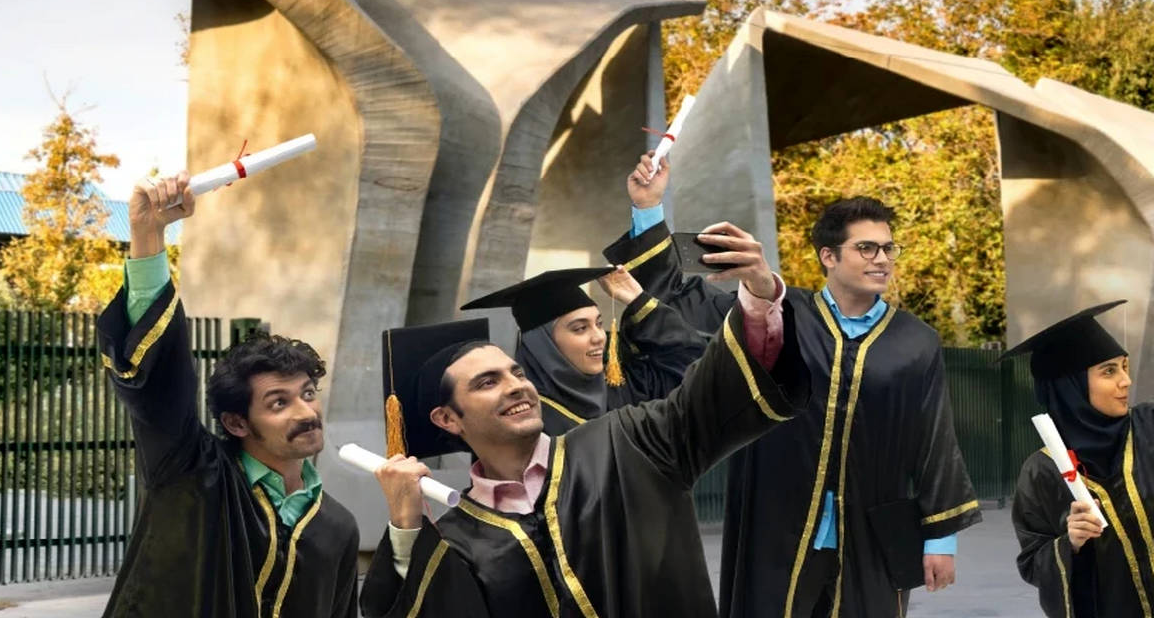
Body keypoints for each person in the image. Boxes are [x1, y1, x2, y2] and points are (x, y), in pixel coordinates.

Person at [601, 152, 982, 617]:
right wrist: (648, 207)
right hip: (775, 518)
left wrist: (940, 539)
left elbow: (933, 439)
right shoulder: (779, 313)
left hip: (871, 528)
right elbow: (677, 296)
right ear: (828, 256)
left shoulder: (915, 341)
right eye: (866, 248)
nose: (882, 259)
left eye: (888, 248)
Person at [360, 247, 810, 617]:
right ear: (447, 419)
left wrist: (759, 298)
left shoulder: (628, 442)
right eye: (487, 382)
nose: (516, 386)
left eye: (516, 373)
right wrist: (405, 525)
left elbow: (712, 394)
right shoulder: (458, 538)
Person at [97, 173, 360, 617]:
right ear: (237, 422)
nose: (306, 411)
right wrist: (148, 235)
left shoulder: (337, 526)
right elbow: (161, 385)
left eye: (308, 393)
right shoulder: (193, 476)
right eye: (279, 402)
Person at [1003, 301, 1154, 617]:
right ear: (1069, 385)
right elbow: (1032, 562)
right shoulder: (1043, 471)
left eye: (1124, 367)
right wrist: (1070, 543)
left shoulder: (1148, 429)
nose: (1125, 381)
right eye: (1108, 371)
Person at [459, 265, 706, 435]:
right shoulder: (521, 412)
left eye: (599, 323)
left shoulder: (622, 386)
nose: (599, 337)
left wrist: (638, 300)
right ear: (544, 344)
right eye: (580, 329)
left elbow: (694, 370)